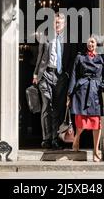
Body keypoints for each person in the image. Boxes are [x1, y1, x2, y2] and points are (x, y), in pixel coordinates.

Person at [33, 12, 73, 150]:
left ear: (64, 24)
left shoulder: (69, 39)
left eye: (59, 23)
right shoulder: (46, 35)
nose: (56, 25)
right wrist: (35, 74)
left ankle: (55, 139)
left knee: (58, 108)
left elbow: (72, 58)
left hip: (61, 76)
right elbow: (40, 55)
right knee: (47, 105)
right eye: (55, 22)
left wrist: (68, 75)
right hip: (46, 74)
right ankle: (46, 138)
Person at [66, 35, 104, 162]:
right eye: (89, 42)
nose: (90, 44)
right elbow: (74, 75)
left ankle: (96, 151)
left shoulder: (102, 58)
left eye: (93, 42)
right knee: (80, 122)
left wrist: (102, 85)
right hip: (82, 91)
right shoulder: (80, 57)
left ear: (97, 44)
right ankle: (76, 139)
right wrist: (69, 94)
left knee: (96, 123)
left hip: (95, 91)